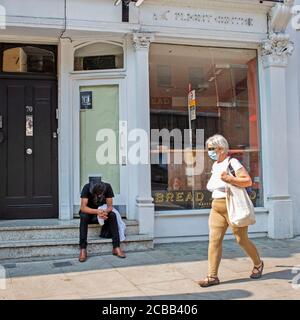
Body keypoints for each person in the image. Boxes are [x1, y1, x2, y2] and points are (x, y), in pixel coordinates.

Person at [198, 134, 263, 287]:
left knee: (241, 239)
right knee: (214, 241)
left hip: (232, 207)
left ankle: (258, 264)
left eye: (211, 149)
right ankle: (212, 276)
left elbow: (247, 181)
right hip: (216, 208)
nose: (209, 152)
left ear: (221, 148)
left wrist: (231, 179)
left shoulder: (232, 162)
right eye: (208, 149)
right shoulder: (215, 165)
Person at [79, 180, 126, 262]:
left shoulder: (107, 187)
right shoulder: (86, 188)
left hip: (102, 212)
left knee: (112, 215)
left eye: (101, 194)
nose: (99, 195)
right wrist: (97, 212)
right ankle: (83, 249)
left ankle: (116, 247)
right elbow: (83, 208)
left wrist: (104, 212)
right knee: (83, 216)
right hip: (90, 213)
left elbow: (110, 207)